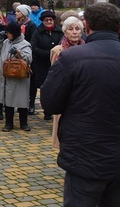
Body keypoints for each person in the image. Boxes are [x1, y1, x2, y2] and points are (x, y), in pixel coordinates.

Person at [41, 2, 120, 206]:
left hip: (84, 156)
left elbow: (50, 103)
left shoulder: (71, 59)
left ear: (86, 26)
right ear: (118, 27)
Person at [49, 16, 85, 150]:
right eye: (71, 29)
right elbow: (55, 76)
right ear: (65, 32)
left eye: (77, 29)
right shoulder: (57, 51)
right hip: (65, 96)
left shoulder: (87, 49)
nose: (75, 32)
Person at [0, 22, 32, 132]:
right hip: (7, 76)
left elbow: (29, 58)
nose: (7, 34)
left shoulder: (25, 44)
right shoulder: (6, 42)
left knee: (22, 100)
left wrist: (17, 53)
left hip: (20, 77)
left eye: (8, 33)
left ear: (14, 34)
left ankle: (23, 123)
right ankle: (8, 123)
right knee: (8, 100)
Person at [30, 10, 63, 120]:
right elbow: (33, 47)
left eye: (50, 20)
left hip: (57, 64)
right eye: (46, 20)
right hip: (42, 64)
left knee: (56, 87)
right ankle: (46, 110)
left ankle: (53, 108)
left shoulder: (59, 32)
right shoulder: (38, 32)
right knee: (44, 88)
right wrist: (49, 54)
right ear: (43, 21)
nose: (48, 22)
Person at [14, 4, 38, 114]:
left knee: (31, 81)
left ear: (23, 13)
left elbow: (32, 41)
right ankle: (20, 103)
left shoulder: (31, 25)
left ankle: (31, 103)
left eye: (18, 12)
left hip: (28, 56)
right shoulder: (15, 25)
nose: (16, 13)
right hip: (16, 57)